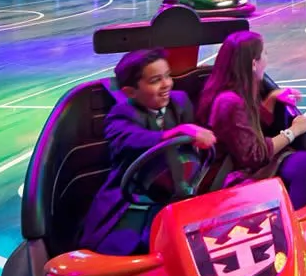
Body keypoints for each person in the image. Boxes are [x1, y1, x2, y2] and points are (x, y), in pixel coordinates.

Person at [76, 50, 218, 256]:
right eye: (155, 80)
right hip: (134, 197)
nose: (167, 84)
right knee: (122, 248)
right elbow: (131, 138)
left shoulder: (180, 101)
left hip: (180, 190)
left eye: (168, 76)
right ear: (130, 92)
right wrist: (176, 132)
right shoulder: (121, 115)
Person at [199, 31, 306, 208]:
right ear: (253, 64)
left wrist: (271, 99)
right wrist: (294, 131)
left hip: (237, 164)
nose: (267, 58)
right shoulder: (230, 102)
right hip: (230, 178)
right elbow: (254, 155)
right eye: (264, 53)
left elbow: (244, 128)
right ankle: (296, 223)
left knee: (296, 161)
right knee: (302, 163)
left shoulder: (233, 90)